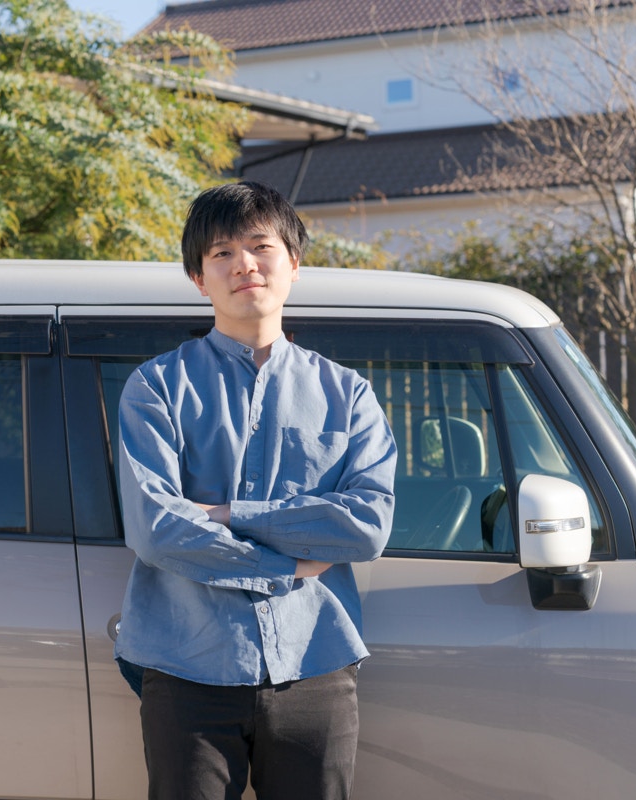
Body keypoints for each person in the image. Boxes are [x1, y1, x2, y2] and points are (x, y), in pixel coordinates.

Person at [114, 181, 397, 800]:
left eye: (259, 245)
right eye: (221, 253)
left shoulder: (347, 395)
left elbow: (367, 525)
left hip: (315, 664)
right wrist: (293, 561)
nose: (243, 263)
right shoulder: (156, 387)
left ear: (294, 264)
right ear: (198, 278)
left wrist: (225, 513)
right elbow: (157, 528)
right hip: (186, 664)